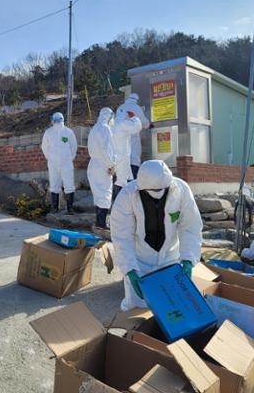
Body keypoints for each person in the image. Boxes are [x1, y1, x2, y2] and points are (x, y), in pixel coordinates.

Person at [110, 159, 203, 311]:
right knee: (136, 308)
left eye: (162, 189)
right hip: (139, 260)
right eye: (153, 191)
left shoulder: (181, 190)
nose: (158, 194)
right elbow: (121, 235)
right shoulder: (127, 195)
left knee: (172, 306)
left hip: (170, 258)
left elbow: (190, 227)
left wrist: (188, 259)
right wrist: (130, 269)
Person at [41, 112, 78, 214]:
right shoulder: (68, 132)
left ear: (53, 120)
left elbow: (44, 148)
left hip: (55, 163)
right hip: (65, 163)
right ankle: (69, 209)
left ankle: (55, 209)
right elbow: (74, 147)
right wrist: (69, 158)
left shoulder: (49, 132)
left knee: (54, 185)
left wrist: (50, 158)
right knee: (69, 185)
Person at [87, 108, 116, 229]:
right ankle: (102, 224)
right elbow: (106, 150)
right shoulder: (105, 128)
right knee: (105, 193)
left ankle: (99, 222)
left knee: (98, 194)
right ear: (109, 117)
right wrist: (111, 165)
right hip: (102, 165)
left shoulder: (94, 129)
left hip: (93, 164)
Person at [116, 93, 150, 178]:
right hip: (132, 139)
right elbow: (144, 122)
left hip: (119, 142)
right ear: (136, 100)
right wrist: (149, 125)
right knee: (134, 158)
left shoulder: (120, 108)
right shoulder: (136, 108)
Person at [111, 111, 142, 201]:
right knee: (121, 181)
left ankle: (127, 202)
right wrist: (134, 117)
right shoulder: (123, 124)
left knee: (127, 178)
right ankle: (120, 203)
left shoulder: (113, 125)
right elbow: (137, 126)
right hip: (123, 157)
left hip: (116, 157)